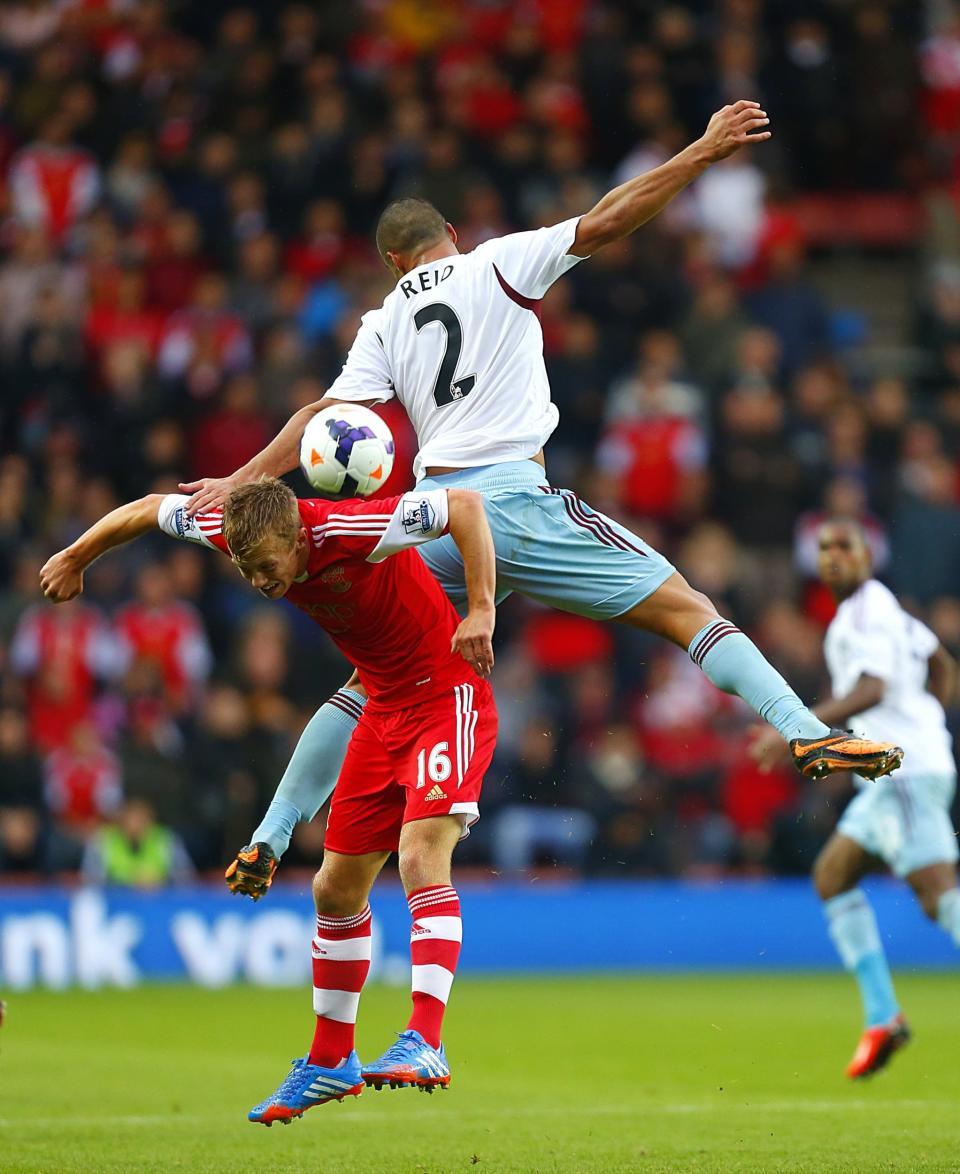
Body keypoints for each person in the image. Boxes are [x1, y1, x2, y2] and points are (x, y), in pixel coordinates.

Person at [181, 100, 902, 873]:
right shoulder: (495, 261)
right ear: (449, 237)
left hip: (434, 522)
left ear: (395, 262)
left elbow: (322, 416)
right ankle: (805, 730)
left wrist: (240, 479)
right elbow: (604, 220)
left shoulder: (384, 319)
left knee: (373, 680)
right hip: (512, 503)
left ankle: (274, 832)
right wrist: (698, 155)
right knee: (688, 611)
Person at [39, 475, 498, 1123]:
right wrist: (76, 556)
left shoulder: (349, 529)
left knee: (420, 857)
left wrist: (480, 609)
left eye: (265, 567)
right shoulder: (235, 531)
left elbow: (464, 506)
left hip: (446, 692)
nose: (257, 581)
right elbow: (145, 510)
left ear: (295, 539)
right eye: (244, 569)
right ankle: (330, 1060)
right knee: (334, 890)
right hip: (380, 704)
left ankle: (424, 1038)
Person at [750, 520, 960, 1078]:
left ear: (869, 555)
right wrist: (928, 721)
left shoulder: (867, 614)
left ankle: (883, 1015)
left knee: (939, 894)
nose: (832, 556)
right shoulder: (884, 610)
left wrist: (800, 729)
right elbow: (942, 666)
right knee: (832, 875)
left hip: (905, 772)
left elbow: (873, 688)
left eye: (845, 546)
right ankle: (882, 1016)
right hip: (896, 769)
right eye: (823, 549)